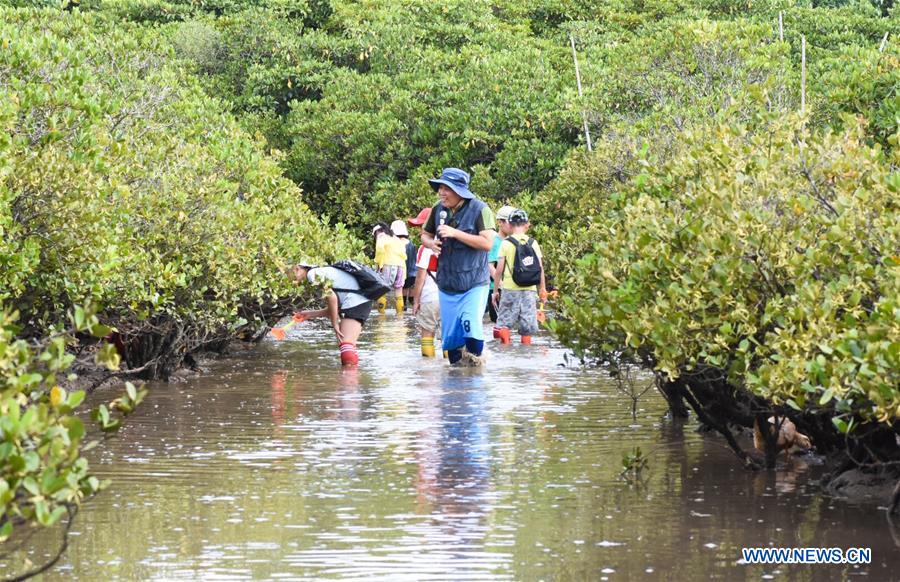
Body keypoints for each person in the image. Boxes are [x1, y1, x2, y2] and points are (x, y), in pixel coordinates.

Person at [420, 168, 496, 366]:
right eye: (441, 188)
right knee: (451, 343)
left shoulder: (480, 209)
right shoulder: (438, 209)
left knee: (471, 329)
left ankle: (476, 373)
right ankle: (456, 387)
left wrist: (455, 233)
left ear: (460, 191)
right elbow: (424, 234)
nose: (441, 193)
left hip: (474, 283)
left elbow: (488, 243)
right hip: (447, 284)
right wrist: (430, 243)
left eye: (447, 189)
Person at [290, 262, 373, 367]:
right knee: (348, 346)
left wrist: (335, 324)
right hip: (362, 299)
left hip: (356, 300)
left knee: (346, 345)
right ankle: (350, 378)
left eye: (289, 273)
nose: (289, 278)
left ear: (297, 268)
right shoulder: (321, 271)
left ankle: (349, 380)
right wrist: (309, 314)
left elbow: (331, 297)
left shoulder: (312, 274)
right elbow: (333, 307)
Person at [492, 209, 546, 345]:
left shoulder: (506, 243)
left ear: (510, 224)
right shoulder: (533, 243)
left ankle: (505, 351)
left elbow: (499, 270)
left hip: (510, 288)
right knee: (527, 326)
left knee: (504, 323)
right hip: (530, 289)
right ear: (526, 224)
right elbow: (540, 269)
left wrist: (495, 291)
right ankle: (525, 353)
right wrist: (542, 289)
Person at [408, 208, 441, 357]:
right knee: (448, 338)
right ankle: (450, 369)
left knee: (427, 334)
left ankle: (428, 373)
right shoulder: (446, 245)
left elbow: (420, 278)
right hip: (448, 298)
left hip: (429, 298)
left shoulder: (425, 248)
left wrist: (416, 301)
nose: (421, 230)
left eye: (423, 226)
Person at [487, 205, 516, 326]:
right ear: (500, 222)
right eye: (510, 223)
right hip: (497, 289)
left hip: (511, 288)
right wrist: (501, 285)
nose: (513, 226)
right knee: (500, 325)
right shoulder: (495, 241)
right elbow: (490, 266)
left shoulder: (513, 241)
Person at [373, 223, 407, 314]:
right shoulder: (396, 238)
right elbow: (404, 254)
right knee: (399, 291)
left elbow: (380, 249)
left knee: (382, 290)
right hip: (401, 266)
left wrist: (378, 263)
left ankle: (381, 316)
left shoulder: (381, 236)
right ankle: (400, 315)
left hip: (388, 264)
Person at [392, 219, 417, 311]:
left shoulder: (396, 244)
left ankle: (402, 315)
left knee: (402, 297)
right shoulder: (411, 244)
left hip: (403, 273)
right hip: (414, 272)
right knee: (412, 298)